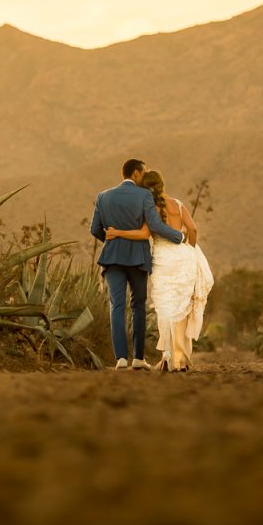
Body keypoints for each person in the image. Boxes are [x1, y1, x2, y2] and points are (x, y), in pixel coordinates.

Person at [104, 168, 214, 371]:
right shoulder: (179, 205)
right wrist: (189, 249)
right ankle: (181, 359)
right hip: (184, 257)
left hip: (163, 259)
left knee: (166, 309)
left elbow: (143, 234)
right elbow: (193, 229)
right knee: (182, 308)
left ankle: (168, 358)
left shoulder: (149, 208)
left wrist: (117, 232)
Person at [89, 158, 187, 369]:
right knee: (138, 306)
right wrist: (178, 237)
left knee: (116, 306)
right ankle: (138, 359)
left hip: (112, 257)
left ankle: (121, 358)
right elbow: (154, 224)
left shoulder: (103, 197)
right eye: (145, 172)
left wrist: (111, 240)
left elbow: (95, 229)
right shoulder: (144, 195)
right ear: (135, 173)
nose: (146, 175)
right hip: (137, 258)